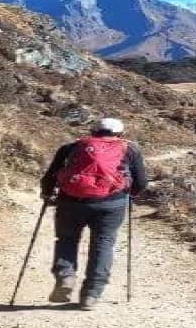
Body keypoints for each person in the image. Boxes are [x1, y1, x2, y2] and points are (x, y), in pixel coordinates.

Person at [40, 117, 147, 310]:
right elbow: (141, 182)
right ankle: (91, 294)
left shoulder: (71, 147)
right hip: (111, 204)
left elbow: (50, 176)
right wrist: (129, 195)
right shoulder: (130, 149)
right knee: (103, 243)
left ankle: (65, 277)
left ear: (93, 132)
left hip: (70, 201)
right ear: (120, 134)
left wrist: (47, 195)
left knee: (67, 239)